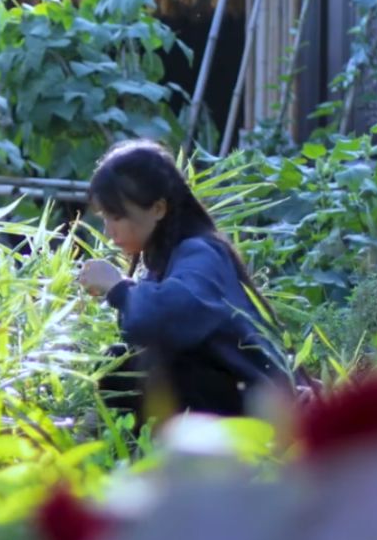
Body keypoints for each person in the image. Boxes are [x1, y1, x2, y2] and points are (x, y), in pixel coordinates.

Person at [76, 139, 295, 420]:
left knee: (139, 366)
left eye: (117, 217)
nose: (109, 231)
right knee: (119, 360)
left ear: (158, 209)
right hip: (232, 400)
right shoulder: (167, 255)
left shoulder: (200, 252)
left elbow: (167, 318)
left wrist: (118, 287)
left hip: (255, 407)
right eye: (105, 217)